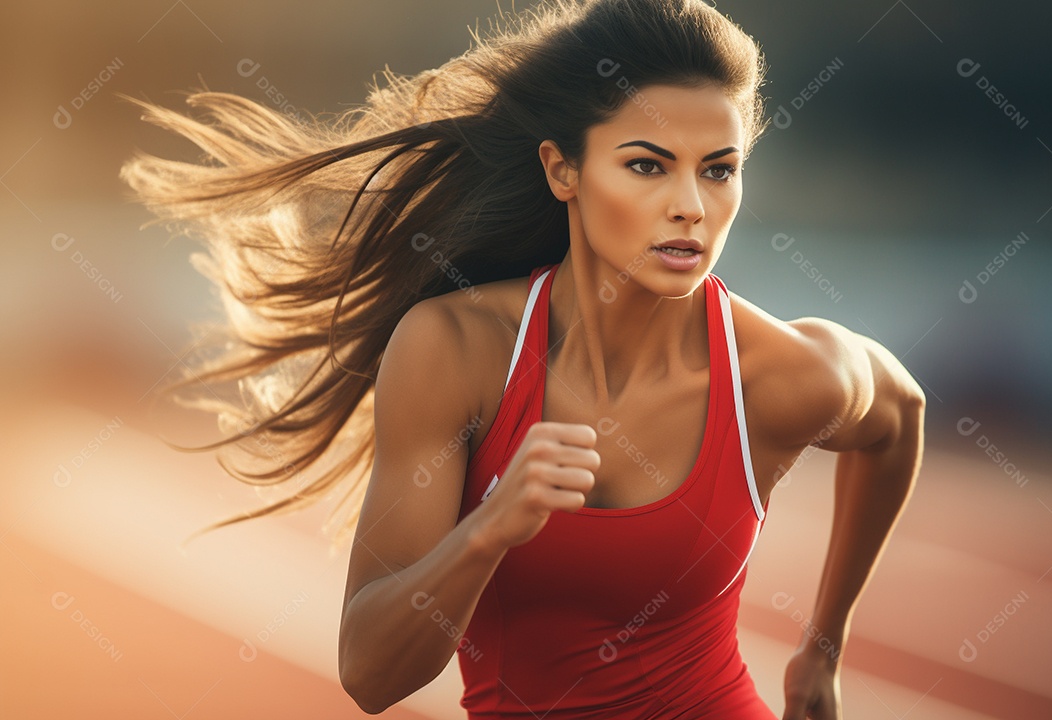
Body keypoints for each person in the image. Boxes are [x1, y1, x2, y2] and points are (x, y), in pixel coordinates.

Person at [119, 0, 925, 717]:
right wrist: (489, 528)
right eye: (647, 164)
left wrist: (822, 652)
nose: (692, 205)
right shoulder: (457, 350)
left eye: (720, 170)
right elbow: (369, 673)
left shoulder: (778, 375)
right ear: (562, 169)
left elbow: (901, 417)